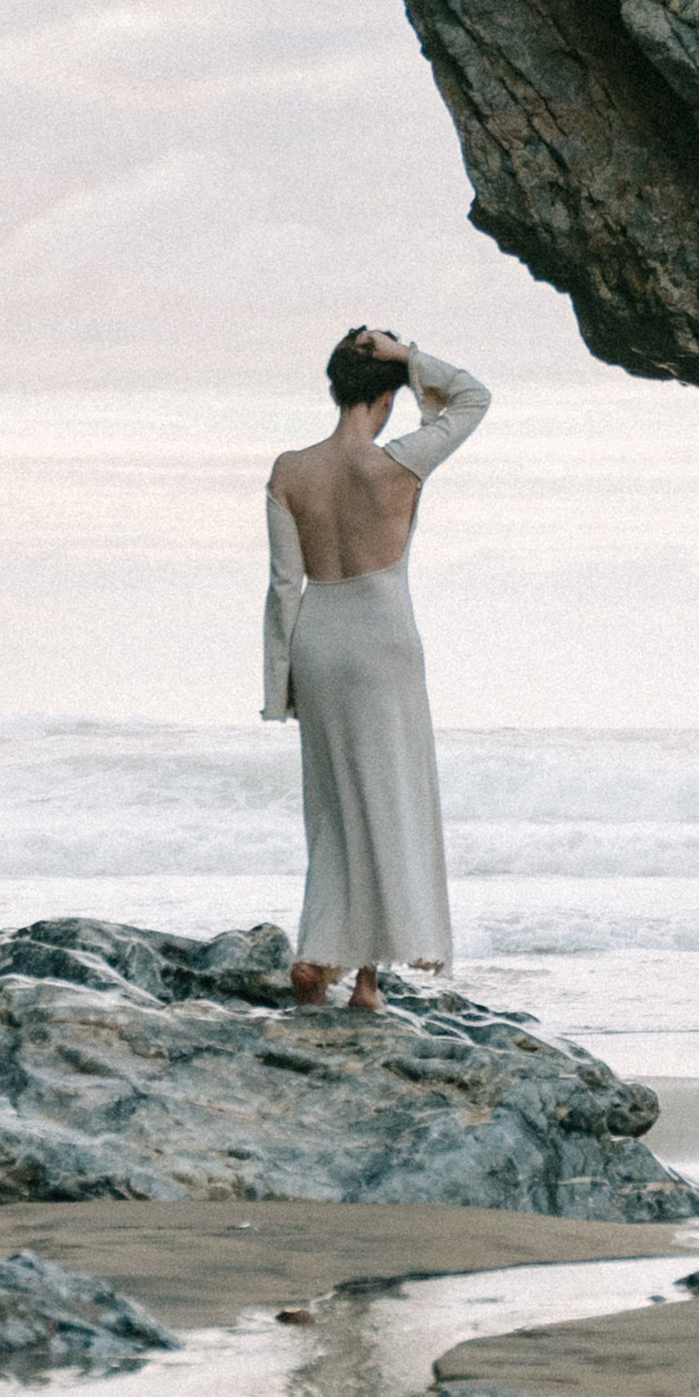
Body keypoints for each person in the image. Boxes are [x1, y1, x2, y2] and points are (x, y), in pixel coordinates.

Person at [263, 324, 491, 1009]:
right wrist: (408, 357)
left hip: (319, 639)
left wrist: (280, 684)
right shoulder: (399, 463)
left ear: (334, 390)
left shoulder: (289, 470)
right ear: (390, 398)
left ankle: (321, 952)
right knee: (389, 798)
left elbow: (282, 586)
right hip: (384, 638)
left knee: (333, 805)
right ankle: (365, 979)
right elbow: (473, 398)